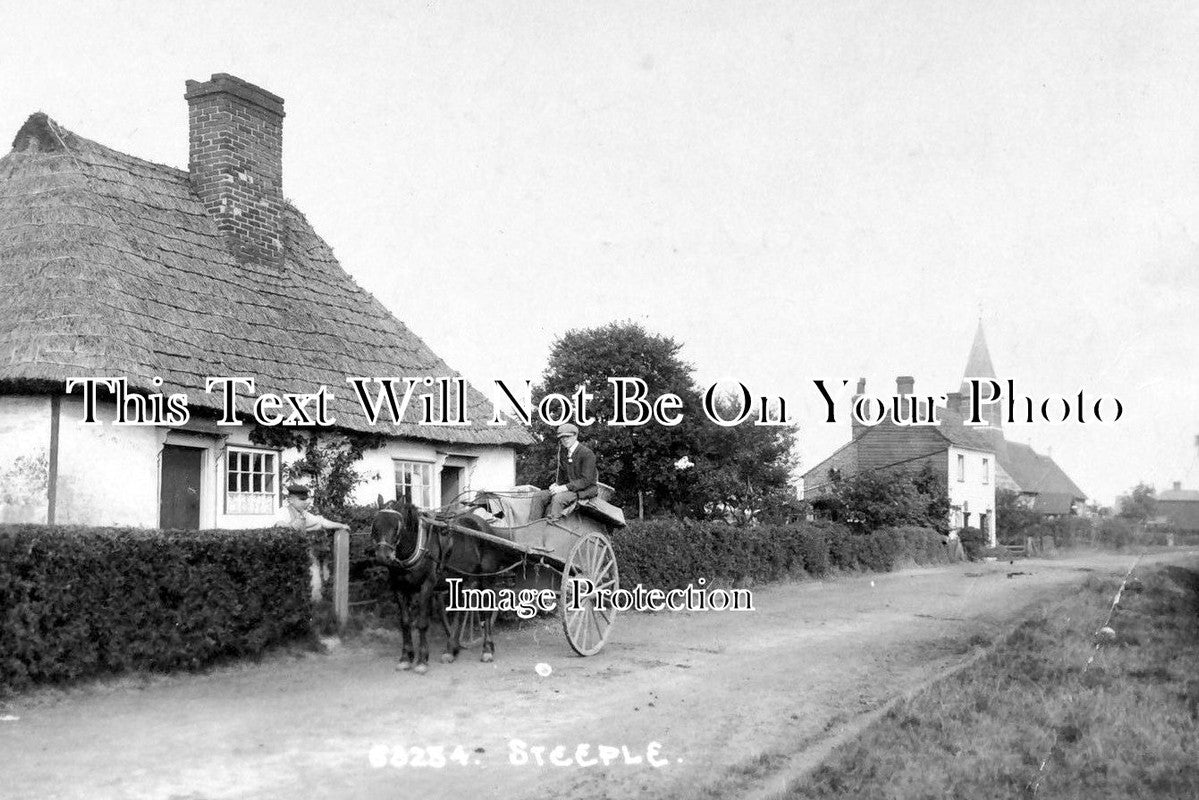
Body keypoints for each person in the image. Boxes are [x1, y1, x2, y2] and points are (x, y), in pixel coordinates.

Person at [547, 423, 599, 519]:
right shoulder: (564, 454)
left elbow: (586, 480)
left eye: (568, 436)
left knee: (558, 499)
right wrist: (557, 485)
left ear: (575, 436)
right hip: (570, 490)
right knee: (540, 496)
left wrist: (564, 488)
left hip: (584, 491)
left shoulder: (587, 454)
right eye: (562, 437)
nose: (565, 439)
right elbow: (562, 477)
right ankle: (529, 528)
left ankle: (554, 527)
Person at [273, 484, 350, 533]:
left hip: (297, 549)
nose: (305, 502)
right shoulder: (283, 511)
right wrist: (291, 526)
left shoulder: (303, 513)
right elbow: (279, 526)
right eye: (301, 499)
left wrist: (341, 525)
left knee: (318, 525)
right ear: (290, 500)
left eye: (305, 499)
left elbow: (322, 522)